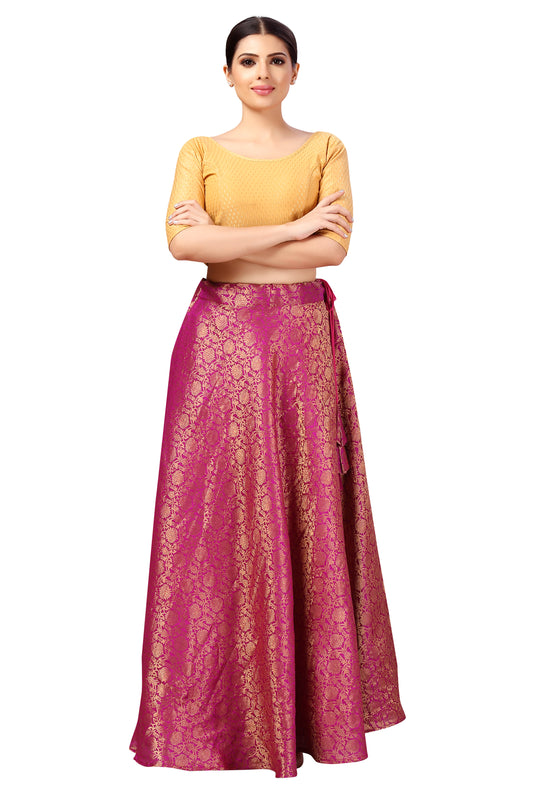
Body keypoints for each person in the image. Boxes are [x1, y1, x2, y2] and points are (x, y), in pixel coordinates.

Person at [129, 15, 405, 780]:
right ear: (227, 73)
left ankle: (308, 716)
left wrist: (234, 237)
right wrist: (294, 226)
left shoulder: (325, 148)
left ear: (294, 72)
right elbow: (182, 245)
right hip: (216, 343)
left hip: (300, 342)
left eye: (275, 60)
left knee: (306, 505)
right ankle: (208, 723)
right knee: (209, 515)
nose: (261, 72)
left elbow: (333, 251)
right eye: (247, 60)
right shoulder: (198, 151)